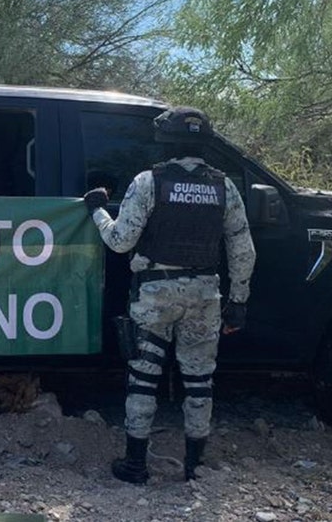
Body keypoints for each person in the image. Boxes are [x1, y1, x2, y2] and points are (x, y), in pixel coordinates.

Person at [84, 106, 256, 484]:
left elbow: (120, 240)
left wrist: (97, 209)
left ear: (167, 142)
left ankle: (135, 465)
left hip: (154, 295)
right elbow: (243, 250)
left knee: (143, 379)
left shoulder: (148, 182)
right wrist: (238, 301)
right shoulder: (223, 187)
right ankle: (194, 466)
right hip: (205, 294)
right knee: (199, 380)